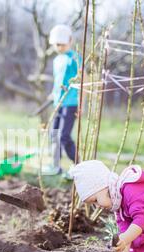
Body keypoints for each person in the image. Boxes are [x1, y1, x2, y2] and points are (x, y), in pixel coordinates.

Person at [42, 24, 82, 179]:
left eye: (62, 44)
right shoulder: (56, 60)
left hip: (71, 103)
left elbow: (83, 81)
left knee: (64, 136)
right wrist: (53, 93)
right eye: (57, 45)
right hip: (57, 103)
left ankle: (78, 165)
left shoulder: (75, 58)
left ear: (70, 41)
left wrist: (81, 104)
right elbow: (58, 80)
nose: (59, 47)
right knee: (54, 134)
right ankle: (56, 166)